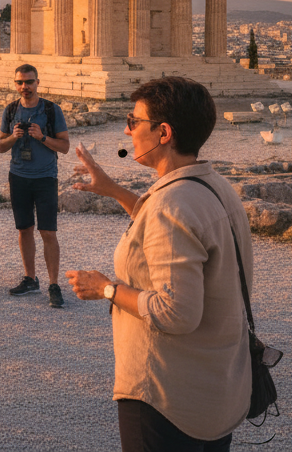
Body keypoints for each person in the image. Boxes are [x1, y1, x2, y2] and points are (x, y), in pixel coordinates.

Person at [67, 77, 254, 451]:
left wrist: (105, 288)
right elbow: (174, 232)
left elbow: (176, 313)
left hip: (166, 396)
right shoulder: (214, 186)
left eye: (134, 121)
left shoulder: (172, 204)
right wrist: (115, 190)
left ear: (163, 132)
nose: (127, 129)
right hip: (213, 390)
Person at [0, 64, 71, 308]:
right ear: (15, 84)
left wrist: (41, 136)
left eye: (29, 82)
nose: (24, 87)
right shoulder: (10, 110)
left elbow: (64, 146)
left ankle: (53, 284)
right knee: (24, 229)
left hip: (45, 177)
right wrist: (13, 137)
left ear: (38, 82)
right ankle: (30, 278)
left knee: (48, 232)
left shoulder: (51, 110)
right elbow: (0, 146)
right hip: (18, 176)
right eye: (20, 82)